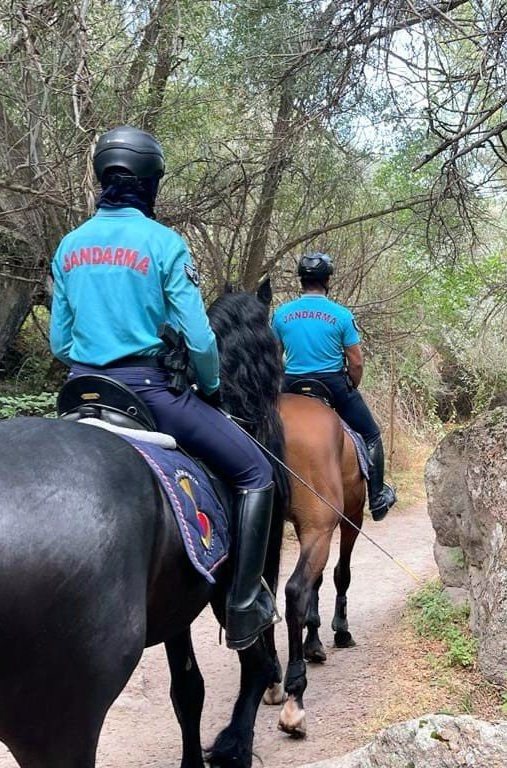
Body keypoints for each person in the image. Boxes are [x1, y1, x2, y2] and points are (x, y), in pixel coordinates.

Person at [49, 125, 275, 649]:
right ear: (151, 183)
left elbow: (61, 342)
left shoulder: (70, 246)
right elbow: (199, 339)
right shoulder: (164, 243)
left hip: (81, 391)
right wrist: (212, 388)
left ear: (102, 176)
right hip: (147, 391)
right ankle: (242, 607)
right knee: (257, 472)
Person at [271, 252, 397, 521]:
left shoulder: (282, 314)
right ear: (327, 280)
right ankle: (376, 498)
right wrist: (352, 384)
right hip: (331, 384)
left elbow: (274, 356)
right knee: (371, 433)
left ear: (301, 281)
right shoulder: (340, 315)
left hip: (292, 383)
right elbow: (356, 361)